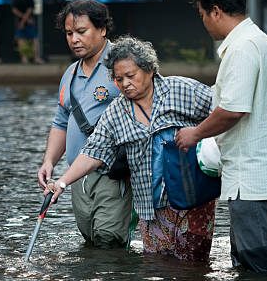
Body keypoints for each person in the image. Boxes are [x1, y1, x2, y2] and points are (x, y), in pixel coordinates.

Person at [45, 36, 216, 262]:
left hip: (193, 197)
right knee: (157, 270)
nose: (125, 83)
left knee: (193, 269)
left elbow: (224, 110)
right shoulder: (116, 112)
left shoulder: (180, 90)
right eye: (118, 79)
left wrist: (200, 135)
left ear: (150, 70)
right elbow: (92, 152)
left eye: (131, 76)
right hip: (151, 208)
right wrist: (62, 182)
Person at [175, 0, 267, 273]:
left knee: (257, 266)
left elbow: (232, 110)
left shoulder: (242, 48)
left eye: (203, 15)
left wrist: (195, 134)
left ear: (216, 11)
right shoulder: (266, 44)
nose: (204, 22)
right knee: (247, 259)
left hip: (252, 176)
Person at [37, 0, 133, 248]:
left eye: (81, 31)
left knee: (108, 241)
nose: (74, 39)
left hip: (113, 174)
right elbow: (61, 121)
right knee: (90, 240)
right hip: (76, 176)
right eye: (69, 33)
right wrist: (49, 162)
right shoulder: (70, 74)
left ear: (102, 29)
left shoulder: (123, 65)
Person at [11, 0, 43, 64]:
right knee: (24, 40)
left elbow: (28, 10)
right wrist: (25, 19)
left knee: (33, 40)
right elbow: (16, 10)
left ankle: (34, 58)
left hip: (26, 23)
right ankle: (25, 58)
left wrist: (22, 21)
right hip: (27, 22)